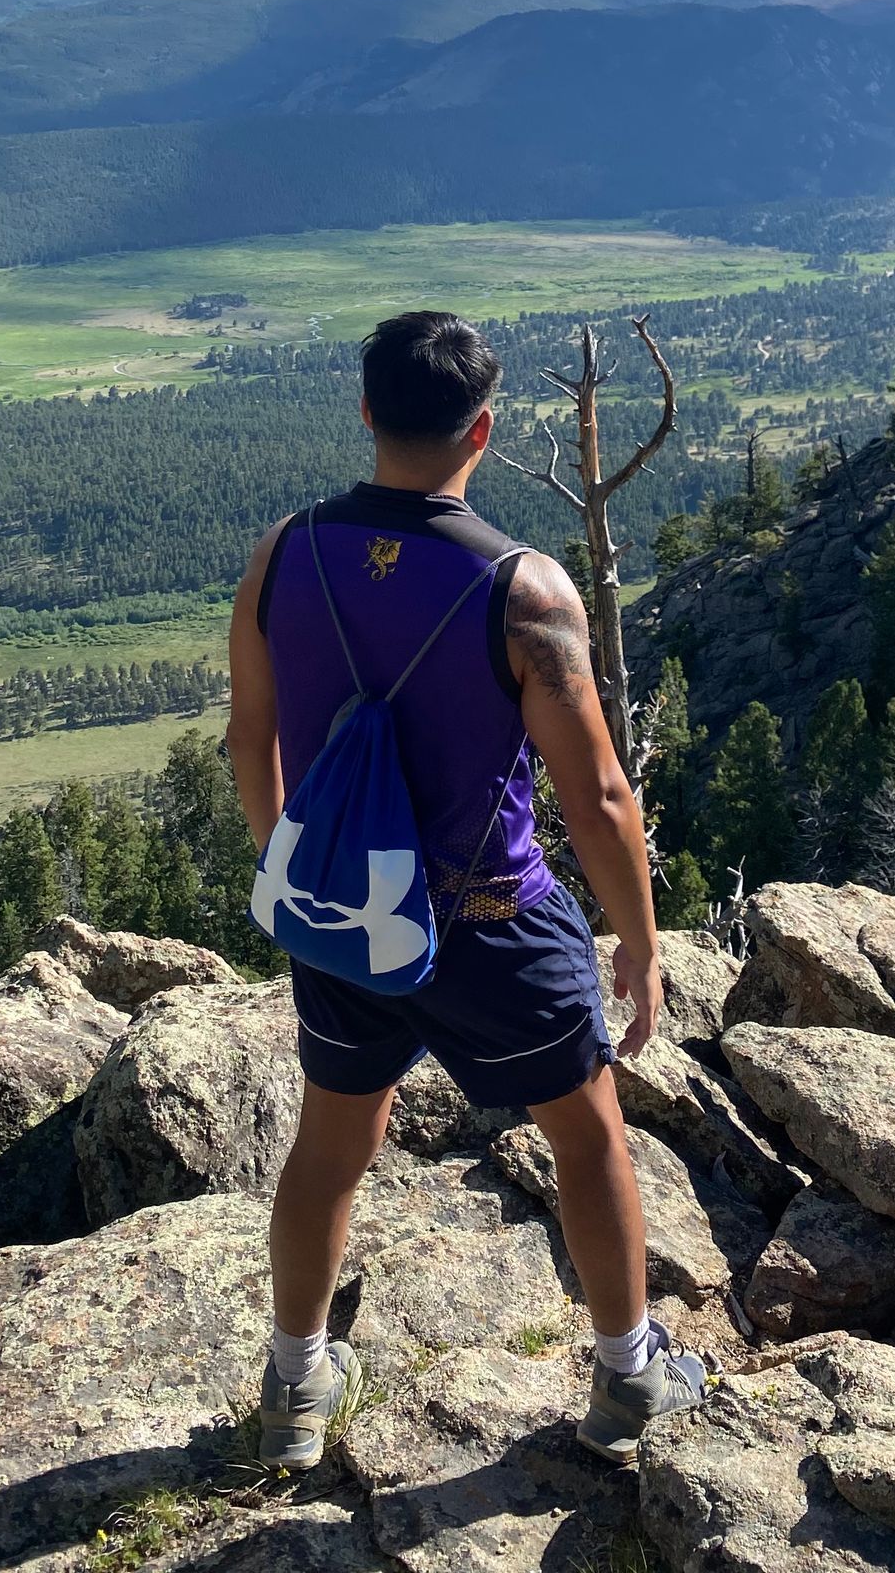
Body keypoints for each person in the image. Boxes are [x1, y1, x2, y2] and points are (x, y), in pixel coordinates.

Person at [226, 309, 708, 1472]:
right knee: (586, 1137)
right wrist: (638, 942)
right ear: (483, 429)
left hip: (347, 914)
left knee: (330, 1142)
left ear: (366, 411)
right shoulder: (523, 591)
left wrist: (300, 868)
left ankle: (295, 1385)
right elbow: (598, 796)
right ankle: (629, 1375)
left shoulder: (284, 553)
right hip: (493, 917)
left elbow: (251, 738)